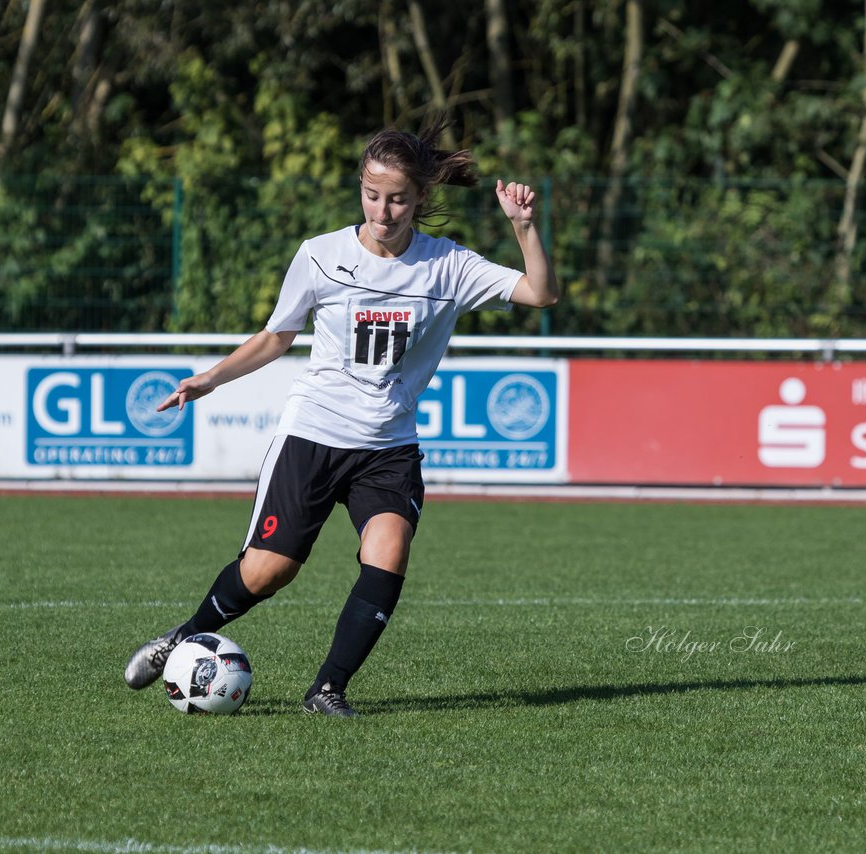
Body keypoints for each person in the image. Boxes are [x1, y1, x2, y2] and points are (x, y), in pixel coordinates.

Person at [123, 120, 559, 714]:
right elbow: (277, 337)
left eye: (398, 198)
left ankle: (327, 689)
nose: (383, 211)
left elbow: (540, 293)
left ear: (420, 198)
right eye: (372, 195)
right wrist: (208, 379)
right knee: (269, 572)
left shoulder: (448, 266)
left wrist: (524, 228)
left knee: (390, 550)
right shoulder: (321, 255)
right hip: (314, 434)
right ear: (360, 188)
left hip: (388, 446)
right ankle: (181, 638)